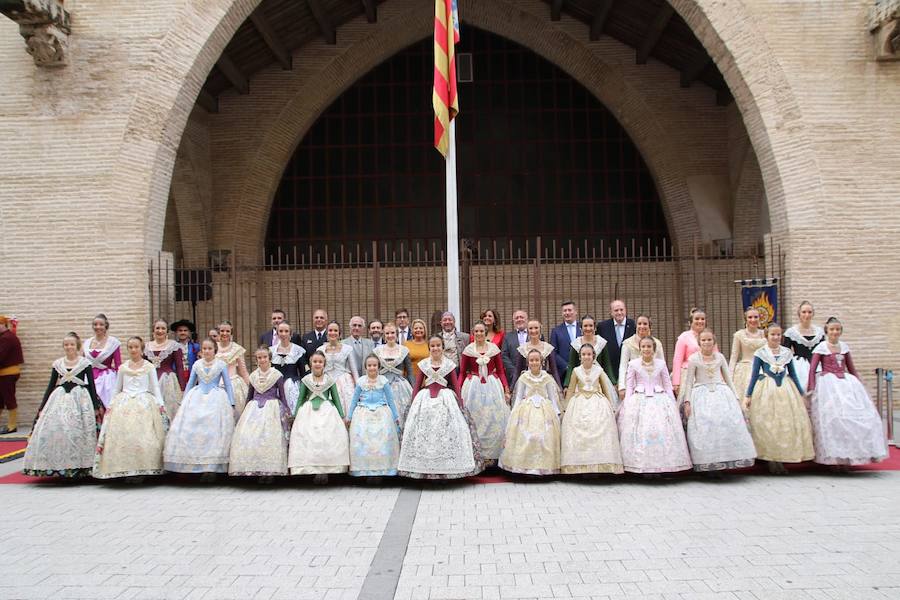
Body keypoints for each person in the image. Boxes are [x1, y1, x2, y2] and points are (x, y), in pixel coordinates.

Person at [398, 335, 483, 479]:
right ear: (429, 348)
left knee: (447, 433)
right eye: (432, 346)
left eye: (438, 345)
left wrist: (460, 405)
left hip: (446, 401)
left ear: (442, 347)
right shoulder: (424, 365)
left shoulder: (449, 365)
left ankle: (447, 470)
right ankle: (423, 468)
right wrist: (413, 404)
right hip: (425, 402)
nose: (435, 348)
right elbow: (417, 386)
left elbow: (456, 386)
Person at [807, 317, 887, 467]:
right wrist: (811, 387)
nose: (835, 332)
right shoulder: (821, 348)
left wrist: (859, 384)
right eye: (832, 329)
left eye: (837, 329)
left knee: (854, 417)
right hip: (828, 385)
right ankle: (834, 459)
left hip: (846, 384)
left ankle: (849, 457)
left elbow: (851, 367)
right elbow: (812, 369)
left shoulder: (844, 347)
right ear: (826, 331)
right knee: (834, 419)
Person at [23, 332, 101, 477]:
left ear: (77, 346)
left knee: (77, 430)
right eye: (66, 344)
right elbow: (51, 385)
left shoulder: (85, 363)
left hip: (80, 399)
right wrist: (41, 407)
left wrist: (96, 407)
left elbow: (92, 386)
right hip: (59, 399)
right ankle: (56, 465)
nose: (69, 347)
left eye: (71, 344)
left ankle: (81, 466)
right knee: (56, 429)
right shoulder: (58, 364)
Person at [94, 336, 169, 480]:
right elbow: (117, 388)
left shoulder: (149, 367)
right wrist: (111, 405)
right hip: (124, 402)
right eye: (130, 347)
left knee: (144, 436)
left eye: (136, 347)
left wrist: (160, 405)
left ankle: (143, 468)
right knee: (124, 436)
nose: (133, 350)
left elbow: (154, 387)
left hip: (144, 402)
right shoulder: (123, 367)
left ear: (142, 349)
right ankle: (125, 468)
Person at [744, 323, 814, 475]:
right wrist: (748, 395)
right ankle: (771, 460)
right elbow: (755, 375)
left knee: (784, 424)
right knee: (769, 424)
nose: (776, 337)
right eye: (772, 334)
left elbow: (793, 374)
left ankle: (781, 460)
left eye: (778, 335)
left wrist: (801, 393)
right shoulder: (760, 353)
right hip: (767, 391)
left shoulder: (787, 353)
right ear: (766, 336)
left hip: (786, 391)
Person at [682, 330, 756, 473]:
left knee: (724, 424)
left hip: (721, 393)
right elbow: (689, 382)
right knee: (706, 426)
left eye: (709, 339)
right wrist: (687, 401)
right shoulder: (693, 359)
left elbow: (728, 378)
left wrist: (735, 397)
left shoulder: (720, 357)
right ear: (699, 343)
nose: (706, 342)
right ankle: (709, 465)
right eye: (703, 340)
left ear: (714, 342)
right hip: (701, 394)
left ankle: (724, 461)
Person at [619, 337, 692, 474]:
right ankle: (641, 465)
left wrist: (673, 403)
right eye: (643, 347)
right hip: (639, 400)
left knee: (661, 430)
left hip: (660, 399)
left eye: (649, 347)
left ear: (654, 349)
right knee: (642, 431)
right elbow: (629, 386)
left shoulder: (661, 364)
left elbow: (667, 385)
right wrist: (627, 404)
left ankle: (661, 465)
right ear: (640, 349)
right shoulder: (633, 364)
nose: (646, 349)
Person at [164, 338, 235, 476]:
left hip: (216, 399)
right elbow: (191, 383)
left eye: (210, 349)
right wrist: (184, 402)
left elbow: (227, 384)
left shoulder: (221, 365)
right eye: (204, 349)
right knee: (195, 429)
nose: (207, 351)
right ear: (201, 351)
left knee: (213, 431)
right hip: (196, 398)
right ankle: (195, 464)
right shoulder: (197, 364)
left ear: (215, 350)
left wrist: (231, 402)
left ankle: (212, 467)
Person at [229, 346, 291, 479]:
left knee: (269, 438)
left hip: (272, 408)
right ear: (256, 360)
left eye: (264, 357)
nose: (262, 360)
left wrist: (286, 410)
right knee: (252, 437)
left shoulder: (276, 375)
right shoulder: (253, 376)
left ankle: (270, 471)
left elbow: (282, 395)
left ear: (270, 359)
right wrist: (246, 410)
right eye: (259, 358)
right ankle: (255, 468)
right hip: (254, 408)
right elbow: (250, 395)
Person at [561, 344, 623, 475]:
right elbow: (571, 389)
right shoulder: (576, 371)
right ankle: (580, 465)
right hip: (579, 402)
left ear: (593, 356)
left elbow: (605, 388)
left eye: (589, 354)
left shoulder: (598, 371)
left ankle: (600, 464)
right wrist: (566, 408)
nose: (586, 357)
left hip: (597, 401)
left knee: (599, 428)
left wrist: (611, 406)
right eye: (583, 354)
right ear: (580, 357)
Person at [287, 350, 349, 482]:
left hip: (327, 411)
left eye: (320, 362)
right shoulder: (306, 380)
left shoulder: (329, 380)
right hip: (308, 412)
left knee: (326, 439)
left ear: (324, 364)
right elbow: (300, 399)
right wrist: (296, 414)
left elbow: (336, 399)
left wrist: (342, 415)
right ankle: (313, 470)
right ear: (310, 363)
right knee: (310, 439)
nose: (317, 364)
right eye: (315, 361)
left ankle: (326, 471)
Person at [499, 348, 561, 476]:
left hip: (544, 410)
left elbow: (552, 397)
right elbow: (519, 396)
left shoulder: (547, 378)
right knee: (526, 436)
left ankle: (544, 467)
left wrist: (556, 412)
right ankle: (525, 467)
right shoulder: (524, 377)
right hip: (527, 410)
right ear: (527, 362)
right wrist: (514, 413)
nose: (534, 362)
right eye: (531, 360)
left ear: (542, 362)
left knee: (545, 437)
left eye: (537, 360)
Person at [459, 321, 511, 465]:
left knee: (494, 419)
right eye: (476, 331)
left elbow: (500, 370)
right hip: (473, 388)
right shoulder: (468, 350)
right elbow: (463, 372)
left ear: (486, 332)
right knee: (476, 418)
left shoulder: (494, 349)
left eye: (482, 331)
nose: (479, 334)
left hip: (492, 387)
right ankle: (477, 456)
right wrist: (458, 391)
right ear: (473, 333)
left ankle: (493, 457)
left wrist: (506, 387)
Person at [346, 355, 401, 478]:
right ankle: (365, 470)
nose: (372, 368)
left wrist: (396, 416)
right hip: (363, 412)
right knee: (363, 439)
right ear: (366, 367)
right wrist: (349, 416)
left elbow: (391, 400)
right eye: (369, 365)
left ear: (379, 367)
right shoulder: (361, 381)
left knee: (382, 440)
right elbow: (354, 400)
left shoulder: (383, 381)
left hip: (381, 411)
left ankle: (382, 470)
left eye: (374, 365)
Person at [373, 323, 415, 427]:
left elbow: (410, 372)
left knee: (401, 413)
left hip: (400, 386)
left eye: (392, 333)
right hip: (382, 386)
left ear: (396, 334)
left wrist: (415, 389)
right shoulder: (377, 351)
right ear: (384, 335)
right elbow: (373, 371)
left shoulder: (404, 350)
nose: (390, 335)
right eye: (387, 333)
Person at [145, 319, 186, 420]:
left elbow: (180, 368)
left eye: (163, 328)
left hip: (168, 383)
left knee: (168, 411)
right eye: (157, 328)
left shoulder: (174, 346)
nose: (160, 331)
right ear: (153, 331)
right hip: (150, 382)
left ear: (167, 331)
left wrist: (182, 388)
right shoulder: (146, 347)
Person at [562, 316, 614, 394]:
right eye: (585, 326)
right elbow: (571, 365)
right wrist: (566, 385)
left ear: (595, 328)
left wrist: (613, 382)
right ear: (581, 328)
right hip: (581, 381)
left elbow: (607, 365)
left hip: (598, 380)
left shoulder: (601, 342)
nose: (588, 328)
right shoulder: (575, 344)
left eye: (590, 326)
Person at [617, 315, 665, 399]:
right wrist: (622, 387)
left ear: (649, 326)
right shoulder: (628, 343)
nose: (642, 326)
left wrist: (664, 387)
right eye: (639, 323)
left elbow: (662, 366)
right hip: (634, 385)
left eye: (645, 324)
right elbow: (623, 367)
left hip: (653, 384)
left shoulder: (657, 343)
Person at [672, 308, 716, 399]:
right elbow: (677, 360)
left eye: (702, 319)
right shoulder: (684, 337)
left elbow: (716, 358)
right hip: (689, 375)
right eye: (697, 319)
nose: (700, 321)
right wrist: (676, 382)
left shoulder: (710, 336)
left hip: (708, 374)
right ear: (690, 322)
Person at [319, 321, 358, 416]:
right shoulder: (320, 349)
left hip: (344, 381)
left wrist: (358, 388)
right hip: (326, 381)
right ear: (327, 333)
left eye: (335, 330)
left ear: (340, 333)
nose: (333, 333)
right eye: (330, 330)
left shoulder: (347, 349)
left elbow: (354, 370)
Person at [83, 313, 121, 410]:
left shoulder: (113, 342)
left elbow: (118, 365)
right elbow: (83, 364)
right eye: (95, 324)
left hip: (107, 379)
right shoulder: (87, 343)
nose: (98, 327)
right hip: (89, 377)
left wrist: (121, 384)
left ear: (106, 326)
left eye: (101, 324)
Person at [728, 308, 766, 402]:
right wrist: (729, 376)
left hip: (762, 369)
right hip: (744, 370)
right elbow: (733, 357)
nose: (753, 320)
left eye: (755, 317)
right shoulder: (739, 335)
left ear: (759, 318)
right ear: (746, 319)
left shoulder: (765, 334)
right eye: (750, 317)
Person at [783, 301, 826, 387]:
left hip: (817, 366)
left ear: (813, 314)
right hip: (798, 366)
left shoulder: (819, 332)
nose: (807, 314)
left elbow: (824, 352)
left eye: (809, 312)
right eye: (804, 312)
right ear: (799, 313)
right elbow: (785, 353)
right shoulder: (791, 332)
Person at [215, 320, 250, 419]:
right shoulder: (213, 347)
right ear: (219, 332)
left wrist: (252, 387)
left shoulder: (237, 349)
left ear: (231, 333)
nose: (224, 333)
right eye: (222, 331)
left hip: (234, 384)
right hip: (216, 384)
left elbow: (243, 371)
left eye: (227, 331)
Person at [513, 320, 561, 390]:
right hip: (527, 383)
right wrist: (511, 389)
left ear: (540, 329)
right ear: (527, 330)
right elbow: (517, 370)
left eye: (536, 328)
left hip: (544, 383)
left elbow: (554, 370)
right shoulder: (522, 349)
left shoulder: (548, 348)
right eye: (530, 328)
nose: (533, 331)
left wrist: (560, 388)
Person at [598, 299, 636, 383]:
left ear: (625, 310)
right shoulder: (603, 327)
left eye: (621, 310)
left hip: (629, 372)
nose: (619, 313)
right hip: (609, 372)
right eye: (616, 310)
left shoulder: (633, 325)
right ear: (611, 312)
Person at [270, 322, 304, 416]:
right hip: (275, 388)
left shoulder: (298, 351)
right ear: (277, 333)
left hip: (292, 387)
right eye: (281, 331)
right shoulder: (271, 351)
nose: (283, 334)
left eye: (286, 331)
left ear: (291, 333)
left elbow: (303, 373)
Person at [0, 315, 23, 434]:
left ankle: (12, 426)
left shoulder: (7, 338)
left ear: (4, 325)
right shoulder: (5, 337)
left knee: (9, 399)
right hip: (4, 374)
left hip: (7, 374)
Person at [549, 301, 581, 376]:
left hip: (583, 370)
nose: (567, 313)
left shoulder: (583, 327)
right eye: (564, 311)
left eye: (569, 310)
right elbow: (553, 352)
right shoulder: (556, 331)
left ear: (576, 312)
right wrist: (566, 366)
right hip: (564, 372)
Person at [501, 309, 529, 386]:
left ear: (527, 319)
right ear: (513, 321)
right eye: (516, 318)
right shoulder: (508, 337)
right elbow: (504, 356)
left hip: (532, 374)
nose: (519, 319)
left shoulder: (535, 334)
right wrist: (514, 372)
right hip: (513, 377)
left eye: (521, 317)